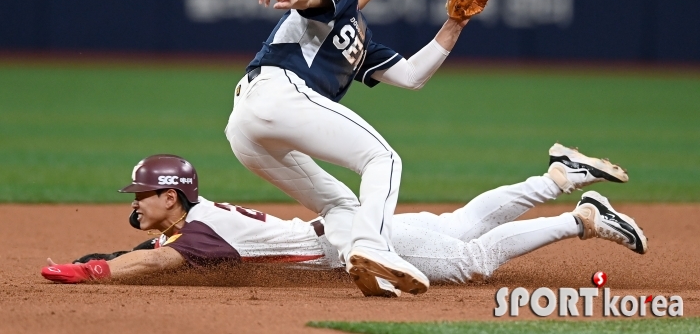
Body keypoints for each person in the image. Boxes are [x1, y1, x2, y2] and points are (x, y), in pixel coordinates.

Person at [223, 0, 484, 296]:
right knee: (384, 160)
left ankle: (365, 268)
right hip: (277, 94)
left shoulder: (358, 32)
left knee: (340, 204)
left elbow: (411, 75)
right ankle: (374, 248)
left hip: (247, 129)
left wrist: (456, 22)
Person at [41, 147, 648, 296]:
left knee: (473, 260)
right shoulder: (197, 219)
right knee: (460, 222)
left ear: (172, 198)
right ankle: (555, 176)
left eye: (145, 194)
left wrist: (90, 270)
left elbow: (153, 259)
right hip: (358, 229)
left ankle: (579, 218)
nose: (137, 204)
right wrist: (107, 253)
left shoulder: (200, 231)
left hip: (354, 244)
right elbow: (152, 246)